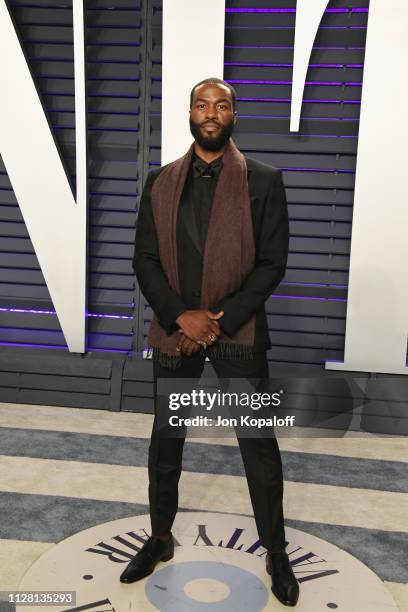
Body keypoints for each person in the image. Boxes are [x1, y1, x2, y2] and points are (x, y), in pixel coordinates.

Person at [120, 77, 299, 607]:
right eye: (202, 104)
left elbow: (273, 264)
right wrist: (181, 317)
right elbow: (145, 260)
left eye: (221, 105)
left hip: (236, 332)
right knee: (165, 442)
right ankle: (158, 537)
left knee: (259, 448)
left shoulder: (264, 181)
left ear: (234, 115)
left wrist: (215, 321)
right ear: (190, 112)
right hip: (177, 332)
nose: (211, 113)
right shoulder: (161, 180)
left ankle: (277, 550)